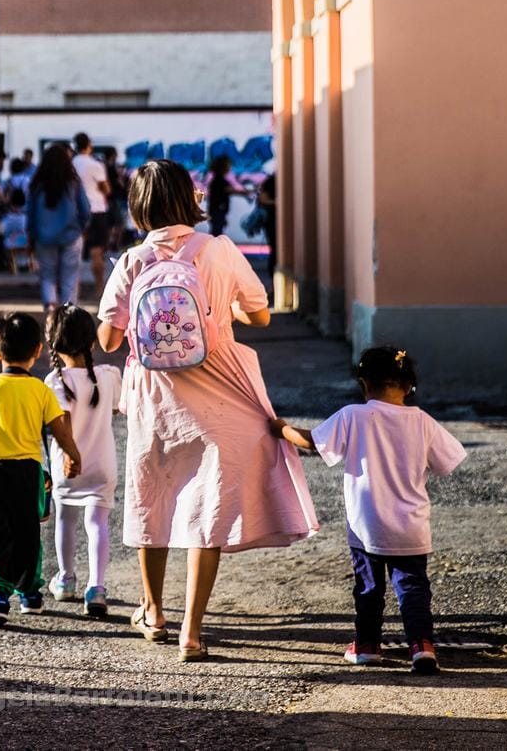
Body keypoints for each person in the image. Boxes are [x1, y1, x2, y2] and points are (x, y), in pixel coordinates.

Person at [97, 159, 317, 661]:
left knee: (152, 498)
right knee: (208, 508)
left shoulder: (133, 260)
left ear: (138, 207)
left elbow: (108, 339)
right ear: (190, 199)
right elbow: (260, 313)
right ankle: (192, 633)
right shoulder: (218, 249)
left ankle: (153, 613)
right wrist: (224, 311)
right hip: (220, 396)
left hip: (156, 401)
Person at [270, 346, 466, 674]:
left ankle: (367, 646)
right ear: (408, 386)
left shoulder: (353, 415)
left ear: (364, 384)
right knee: (413, 587)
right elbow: (448, 461)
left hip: (367, 525)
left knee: (368, 586)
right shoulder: (423, 422)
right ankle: (422, 647)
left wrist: (282, 429)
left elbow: (313, 443)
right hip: (412, 525)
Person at [0, 311, 82, 628]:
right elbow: (60, 431)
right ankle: (30, 594)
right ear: (38, 350)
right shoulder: (41, 391)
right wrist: (73, 454)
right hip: (28, 472)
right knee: (27, 532)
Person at [44, 304, 122, 618]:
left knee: (65, 519)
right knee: (97, 523)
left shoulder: (54, 381)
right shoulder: (108, 376)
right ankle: (97, 587)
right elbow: (117, 409)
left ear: (54, 345)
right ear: (92, 342)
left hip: (66, 465)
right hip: (103, 463)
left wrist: (70, 453)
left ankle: (65, 580)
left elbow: (58, 423)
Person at [27, 144, 91, 310]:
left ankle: (50, 309)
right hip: (71, 236)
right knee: (69, 279)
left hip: (43, 238)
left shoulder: (36, 184)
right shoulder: (73, 182)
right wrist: (80, 228)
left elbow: (30, 214)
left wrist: (32, 236)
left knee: (47, 276)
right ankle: (66, 314)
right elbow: (85, 210)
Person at [72, 132, 111, 295]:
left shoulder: (71, 164)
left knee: (74, 252)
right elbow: (105, 189)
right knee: (97, 251)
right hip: (96, 209)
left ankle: (74, 289)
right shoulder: (95, 164)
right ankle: (99, 289)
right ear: (89, 145)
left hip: (76, 211)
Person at [206, 154, 248, 237]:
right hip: (218, 210)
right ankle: (215, 248)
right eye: (228, 165)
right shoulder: (219, 181)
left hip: (216, 210)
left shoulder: (217, 180)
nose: (230, 167)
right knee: (217, 232)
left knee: (217, 230)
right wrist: (247, 192)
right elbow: (230, 190)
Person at [0, 188, 32, 274]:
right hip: (25, 248)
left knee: (0, 242)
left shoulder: (7, 218)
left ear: (11, 202)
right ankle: (26, 264)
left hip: (10, 248)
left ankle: (9, 264)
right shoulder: (27, 218)